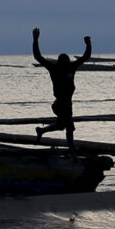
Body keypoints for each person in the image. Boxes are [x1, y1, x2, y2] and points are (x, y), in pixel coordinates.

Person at [33, 28, 91, 159]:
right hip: (59, 104)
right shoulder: (54, 68)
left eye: (66, 61)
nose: (64, 64)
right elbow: (38, 57)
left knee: (61, 125)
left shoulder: (71, 67)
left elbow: (85, 57)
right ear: (59, 62)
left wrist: (88, 45)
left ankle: (41, 130)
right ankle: (72, 152)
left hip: (66, 103)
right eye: (62, 61)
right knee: (69, 126)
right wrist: (35, 40)